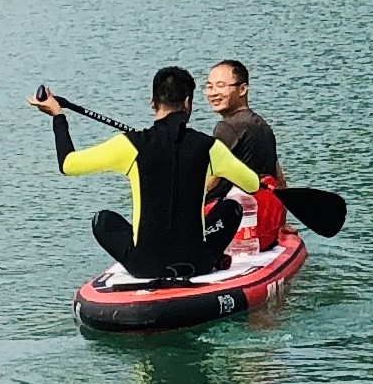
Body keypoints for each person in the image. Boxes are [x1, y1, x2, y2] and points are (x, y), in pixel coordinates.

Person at [37, 69, 271, 279]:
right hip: (197, 263)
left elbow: (68, 164)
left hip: (144, 266)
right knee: (232, 208)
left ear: (152, 103)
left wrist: (58, 117)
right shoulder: (210, 147)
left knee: (103, 220)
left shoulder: (129, 145)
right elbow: (251, 184)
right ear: (188, 103)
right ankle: (212, 257)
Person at [199, 57, 280, 257]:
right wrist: (284, 224)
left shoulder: (227, 127)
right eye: (209, 87)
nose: (213, 93)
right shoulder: (263, 126)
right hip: (265, 229)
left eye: (221, 86)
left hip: (235, 226)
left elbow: (210, 179)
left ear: (242, 89)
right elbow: (278, 175)